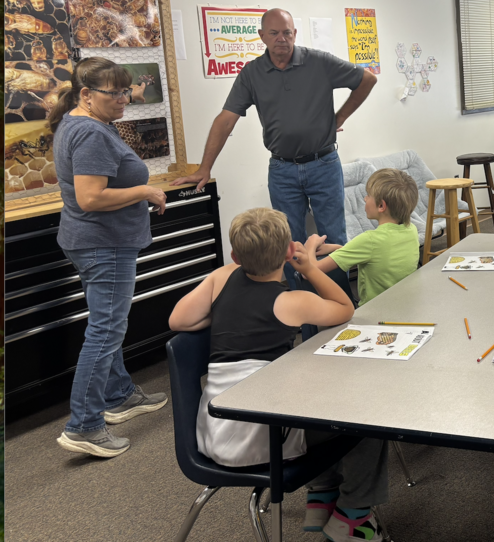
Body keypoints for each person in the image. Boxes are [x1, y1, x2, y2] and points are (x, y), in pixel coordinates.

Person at [168, 208, 390, 542]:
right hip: (263, 441)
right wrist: (311, 269)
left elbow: (178, 322)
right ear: (289, 252)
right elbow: (345, 309)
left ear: (234, 255)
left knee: (311, 406)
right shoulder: (292, 301)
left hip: (212, 432)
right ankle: (353, 517)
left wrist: (220, 315)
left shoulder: (220, 278)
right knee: (367, 420)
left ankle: (322, 495)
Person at [171, 8, 377, 300]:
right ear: (262, 36)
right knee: (287, 246)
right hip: (282, 171)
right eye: (274, 33)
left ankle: (340, 310)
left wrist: (340, 117)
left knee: (333, 239)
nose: (282, 39)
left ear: (295, 33)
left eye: (287, 32)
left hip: (324, 163)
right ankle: (302, 319)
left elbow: (367, 79)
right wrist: (205, 168)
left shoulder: (318, 62)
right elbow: (225, 119)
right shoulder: (253, 74)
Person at [49, 57, 169, 458]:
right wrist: (146, 192)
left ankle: (117, 395)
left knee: (107, 324)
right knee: (105, 330)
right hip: (105, 242)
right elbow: (91, 197)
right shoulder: (91, 133)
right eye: (114, 93)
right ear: (86, 94)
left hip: (92, 239)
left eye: (125, 91)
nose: (124, 100)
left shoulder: (79, 122)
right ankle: (84, 424)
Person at [312, 168, 420, 305]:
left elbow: (309, 272)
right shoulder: (411, 229)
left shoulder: (369, 240)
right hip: (403, 305)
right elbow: (380, 254)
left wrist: (311, 246)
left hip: (373, 313)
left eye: (368, 195)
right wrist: (339, 249)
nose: (365, 198)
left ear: (381, 205)